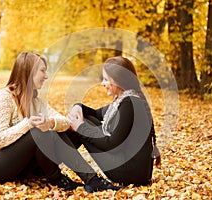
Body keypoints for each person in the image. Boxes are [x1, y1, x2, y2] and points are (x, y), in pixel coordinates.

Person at [0, 52, 122, 192]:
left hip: (20, 164)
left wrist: (50, 123)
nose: (46, 76)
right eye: (42, 71)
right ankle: (65, 178)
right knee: (39, 132)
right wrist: (29, 123)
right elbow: (0, 139)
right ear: (29, 72)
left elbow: (64, 121)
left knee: (72, 127)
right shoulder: (3, 98)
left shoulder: (36, 101)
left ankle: (91, 178)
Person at [67, 56, 161, 186]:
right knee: (88, 119)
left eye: (106, 79)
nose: (102, 83)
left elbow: (112, 145)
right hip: (132, 168)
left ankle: (54, 159)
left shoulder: (130, 104)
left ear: (118, 80)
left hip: (129, 172)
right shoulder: (123, 100)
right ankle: (55, 156)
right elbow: (95, 114)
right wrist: (78, 106)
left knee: (84, 125)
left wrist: (80, 128)